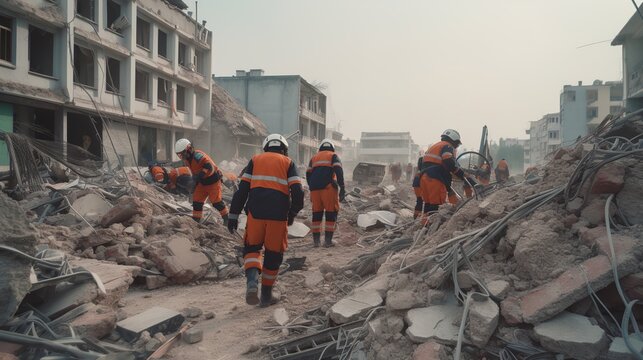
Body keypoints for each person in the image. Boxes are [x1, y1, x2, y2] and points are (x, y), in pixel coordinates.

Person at [227, 134, 304, 307]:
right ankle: (266, 297)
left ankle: (252, 283)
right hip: (278, 216)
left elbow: (242, 192)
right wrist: (291, 213)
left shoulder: (255, 160)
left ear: (266, 147)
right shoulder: (288, 163)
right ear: (284, 149)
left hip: (255, 214)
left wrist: (233, 216)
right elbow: (298, 192)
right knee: (273, 255)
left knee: (252, 249)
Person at [420, 129, 476, 220]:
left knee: (428, 206)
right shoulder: (447, 146)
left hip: (424, 178)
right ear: (454, 140)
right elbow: (448, 162)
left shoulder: (435, 146)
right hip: (435, 179)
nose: (456, 147)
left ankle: (425, 228)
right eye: (457, 144)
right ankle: (433, 230)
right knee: (436, 206)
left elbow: (425, 162)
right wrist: (461, 173)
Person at [174, 138, 229, 224]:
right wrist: (194, 183)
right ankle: (196, 220)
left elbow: (209, 166)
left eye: (182, 154)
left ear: (188, 149)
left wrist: (198, 177)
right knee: (197, 202)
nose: (182, 157)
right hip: (202, 182)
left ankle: (227, 219)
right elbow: (195, 171)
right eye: (179, 155)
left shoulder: (198, 156)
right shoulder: (188, 160)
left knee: (216, 202)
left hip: (213, 181)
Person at [306, 139, 345, 247]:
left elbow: (308, 174)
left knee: (316, 215)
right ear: (332, 148)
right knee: (331, 214)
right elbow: (338, 171)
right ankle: (328, 241)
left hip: (315, 191)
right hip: (328, 189)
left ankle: (316, 242)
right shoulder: (333, 156)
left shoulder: (314, 158)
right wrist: (342, 187)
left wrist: (312, 187)